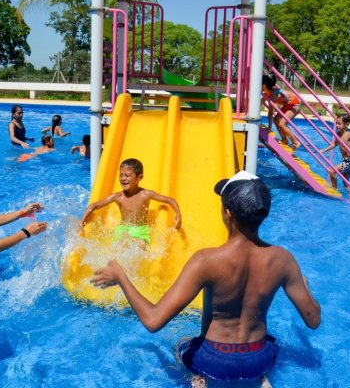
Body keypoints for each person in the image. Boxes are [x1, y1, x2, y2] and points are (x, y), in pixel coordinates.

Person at [91, 171, 321, 387]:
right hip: (258, 358)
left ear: (227, 213)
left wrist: (121, 277)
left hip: (214, 361)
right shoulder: (283, 259)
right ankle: (260, 380)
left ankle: (198, 378)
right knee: (268, 346)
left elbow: (153, 321)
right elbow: (313, 320)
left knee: (181, 344)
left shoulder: (207, 261)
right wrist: (306, 288)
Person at [80, 158, 181, 245]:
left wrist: (178, 215)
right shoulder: (118, 196)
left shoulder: (146, 194)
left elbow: (169, 200)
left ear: (139, 177)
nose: (123, 179)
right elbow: (94, 206)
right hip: (123, 229)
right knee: (120, 245)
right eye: (121, 175)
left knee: (140, 245)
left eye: (127, 175)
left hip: (141, 230)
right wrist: (82, 222)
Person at [320, 114, 350, 188]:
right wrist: (324, 150)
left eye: (339, 124)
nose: (337, 125)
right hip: (344, 160)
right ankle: (349, 196)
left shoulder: (349, 134)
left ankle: (334, 188)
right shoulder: (338, 134)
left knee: (331, 171)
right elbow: (334, 144)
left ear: (347, 124)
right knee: (345, 182)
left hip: (349, 161)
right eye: (336, 123)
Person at [261, 74, 301, 151]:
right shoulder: (267, 93)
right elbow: (260, 103)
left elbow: (270, 112)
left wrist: (269, 127)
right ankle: (284, 140)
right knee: (276, 119)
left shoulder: (273, 95)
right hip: (288, 104)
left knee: (282, 124)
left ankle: (295, 142)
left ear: (264, 86)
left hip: (294, 104)